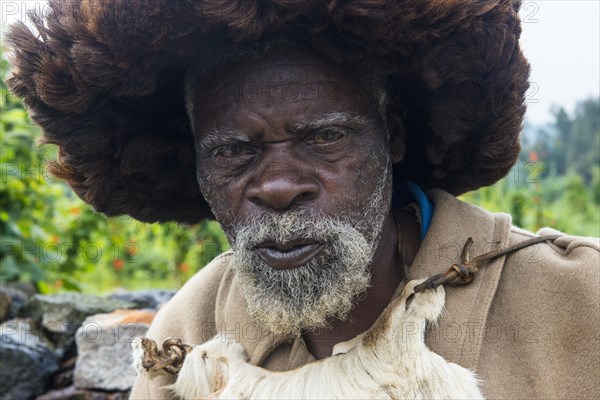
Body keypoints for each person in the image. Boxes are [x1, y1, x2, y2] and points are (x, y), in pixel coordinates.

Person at [5, 1, 598, 398]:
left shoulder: (576, 300)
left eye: (324, 138)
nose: (279, 185)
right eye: (234, 151)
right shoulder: (191, 327)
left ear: (391, 135)